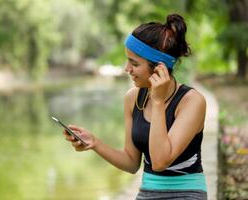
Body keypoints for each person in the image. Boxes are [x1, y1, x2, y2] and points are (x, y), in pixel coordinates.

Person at [62, 13, 207, 200]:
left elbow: (160, 161)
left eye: (134, 63)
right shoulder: (133, 99)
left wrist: (157, 101)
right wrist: (95, 143)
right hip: (148, 193)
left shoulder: (192, 102)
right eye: (127, 60)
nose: (126, 69)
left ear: (159, 67)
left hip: (187, 193)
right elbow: (131, 163)